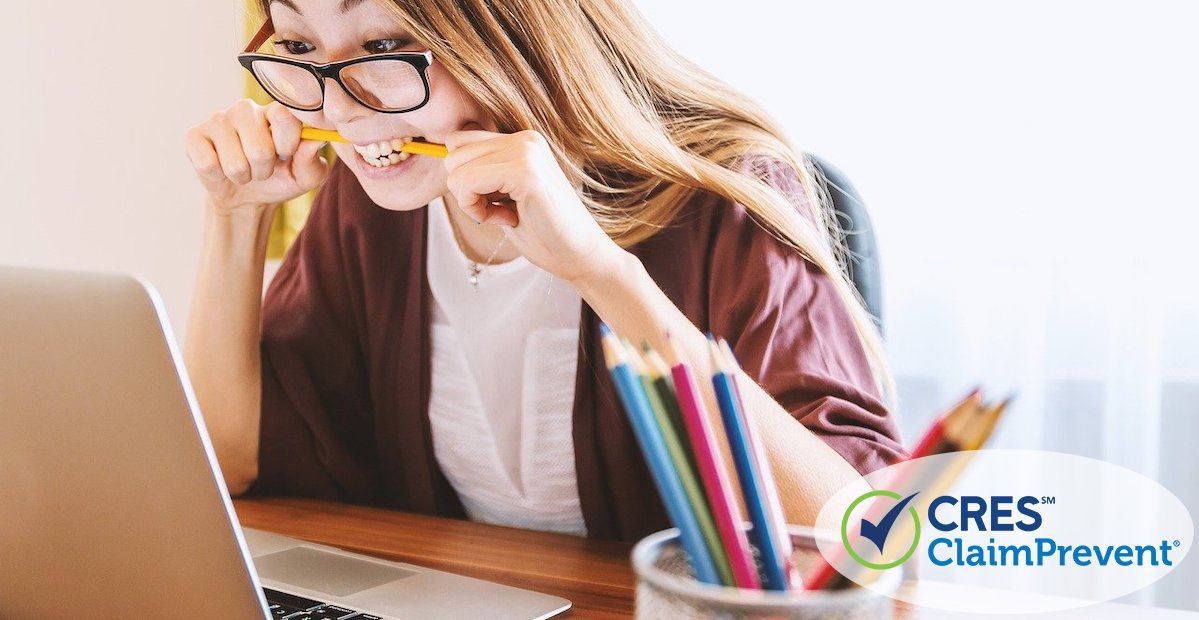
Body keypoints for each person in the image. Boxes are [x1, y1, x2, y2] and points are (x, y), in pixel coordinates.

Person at [183, 0, 905, 541]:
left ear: (511, 34)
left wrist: (598, 272)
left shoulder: (722, 195)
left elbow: (857, 536)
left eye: (384, 43)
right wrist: (236, 216)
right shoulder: (370, 201)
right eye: (302, 45)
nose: (339, 109)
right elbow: (231, 461)